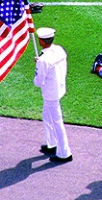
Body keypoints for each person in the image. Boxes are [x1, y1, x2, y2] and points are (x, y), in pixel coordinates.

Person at [33, 27, 72, 163]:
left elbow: (38, 82)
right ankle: (52, 143)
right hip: (58, 88)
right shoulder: (58, 50)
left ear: (41, 41)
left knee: (56, 122)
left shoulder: (43, 60)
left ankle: (64, 153)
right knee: (47, 117)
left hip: (50, 93)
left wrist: (38, 66)